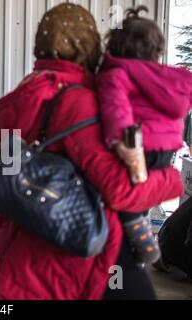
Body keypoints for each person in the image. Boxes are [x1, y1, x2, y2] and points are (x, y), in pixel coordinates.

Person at [0, 3, 184, 300]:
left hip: (23, 247)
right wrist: (172, 180)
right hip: (73, 255)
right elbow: (119, 190)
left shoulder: (26, 95)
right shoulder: (78, 102)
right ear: (87, 45)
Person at [97, 6, 192, 264]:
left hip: (139, 145)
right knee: (144, 191)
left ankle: (138, 235)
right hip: (167, 149)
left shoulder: (116, 73)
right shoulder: (168, 77)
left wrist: (120, 142)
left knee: (124, 193)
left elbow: (116, 110)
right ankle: (140, 231)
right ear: (155, 51)